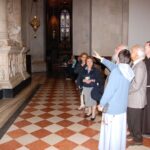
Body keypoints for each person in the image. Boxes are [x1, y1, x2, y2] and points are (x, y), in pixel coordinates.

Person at [93, 50, 134, 150]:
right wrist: (101, 59)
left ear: (118, 59)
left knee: (111, 134)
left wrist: (101, 104)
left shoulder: (117, 72)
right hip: (122, 108)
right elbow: (113, 66)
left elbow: (109, 91)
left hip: (112, 108)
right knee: (119, 133)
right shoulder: (129, 71)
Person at [127, 45, 147, 145]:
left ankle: (138, 139)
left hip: (136, 98)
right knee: (130, 118)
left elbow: (136, 85)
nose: (131, 53)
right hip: (132, 98)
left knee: (135, 120)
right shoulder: (135, 64)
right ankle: (132, 133)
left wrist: (124, 90)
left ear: (137, 54)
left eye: (132, 51)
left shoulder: (140, 66)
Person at [143, 41, 150, 135]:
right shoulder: (144, 60)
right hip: (144, 88)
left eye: (146, 47)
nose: (144, 48)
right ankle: (144, 129)